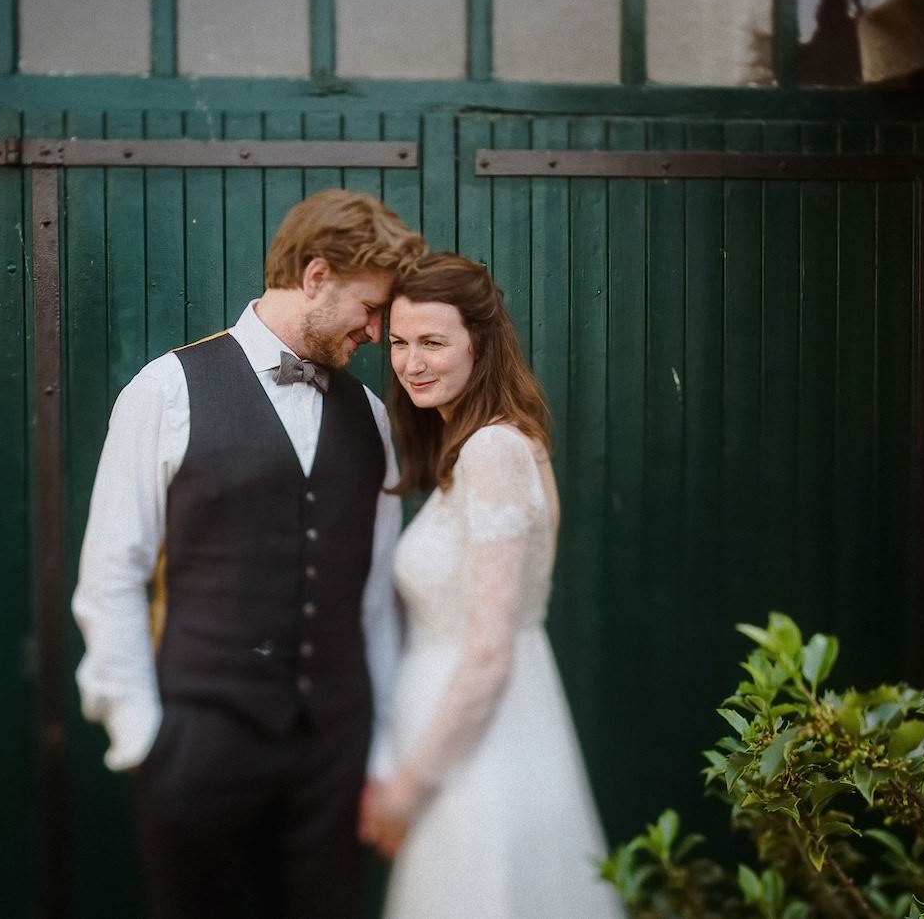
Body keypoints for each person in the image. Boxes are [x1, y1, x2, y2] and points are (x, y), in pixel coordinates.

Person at [71, 189, 426, 919]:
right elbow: (110, 573)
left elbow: (374, 601)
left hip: (333, 755)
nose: (376, 329)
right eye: (369, 306)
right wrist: (143, 739)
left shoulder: (374, 420)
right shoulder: (165, 391)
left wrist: (380, 753)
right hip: (200, 747)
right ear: (316, 275)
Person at [360, 252, 625, 919]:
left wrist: (410, 787)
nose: (411, 362)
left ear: (480, 343)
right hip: (463, 734)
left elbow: (488, 652)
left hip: (478, 753)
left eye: (432, 343)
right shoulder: (485, 443)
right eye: (398, 342)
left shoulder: (493, 453)